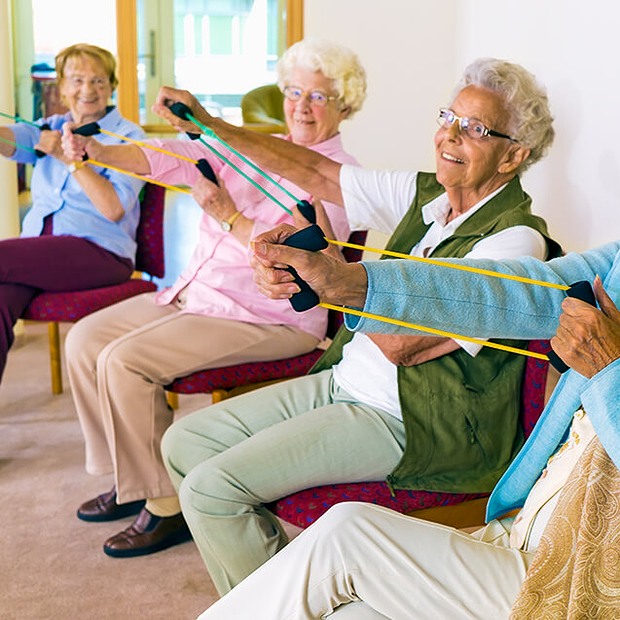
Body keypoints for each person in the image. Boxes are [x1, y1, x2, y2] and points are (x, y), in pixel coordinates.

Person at [159, 57, 562, 595]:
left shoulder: (514, 242)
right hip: (344, 382)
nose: (450, 135)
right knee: (184, 442)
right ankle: (285, 591)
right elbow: (317, 173)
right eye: (449, 117)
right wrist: (213, 127)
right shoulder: (428, 198)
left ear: (513, 155)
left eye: (476, 129)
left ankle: (272, 604)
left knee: (213, 490)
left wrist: (333, 276)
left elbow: (402, 345)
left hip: (410, 418)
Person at [59, 37, 365, 559]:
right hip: (198, 293)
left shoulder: (339, 176)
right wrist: (98, 151)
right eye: (294, 92)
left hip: (265, 316)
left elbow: (301, 258)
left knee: (124, 361)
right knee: (86, 340)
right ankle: (132, 477)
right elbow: (173, 158)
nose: (302, 106)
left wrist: (225, 212)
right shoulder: (259, 145)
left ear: (345, 104)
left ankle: (164, 504)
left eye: (319, 96)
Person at [204, 235, 620, 618]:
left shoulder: (517, 229)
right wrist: (347, 283)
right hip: (530, 533)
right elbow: (512, 288)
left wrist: (609, 369)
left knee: (347, 533)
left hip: (587, 575)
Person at [0, 43, 144, 383]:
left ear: (111, 86)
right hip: (40, 254)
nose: (88, 90)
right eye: (77, 80)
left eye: (98, 81)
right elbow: (9, 141)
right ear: (62, 87)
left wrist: (72, 161)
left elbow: (112, 209)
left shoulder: (128, 137)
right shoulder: (48, 126)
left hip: (101, 253)